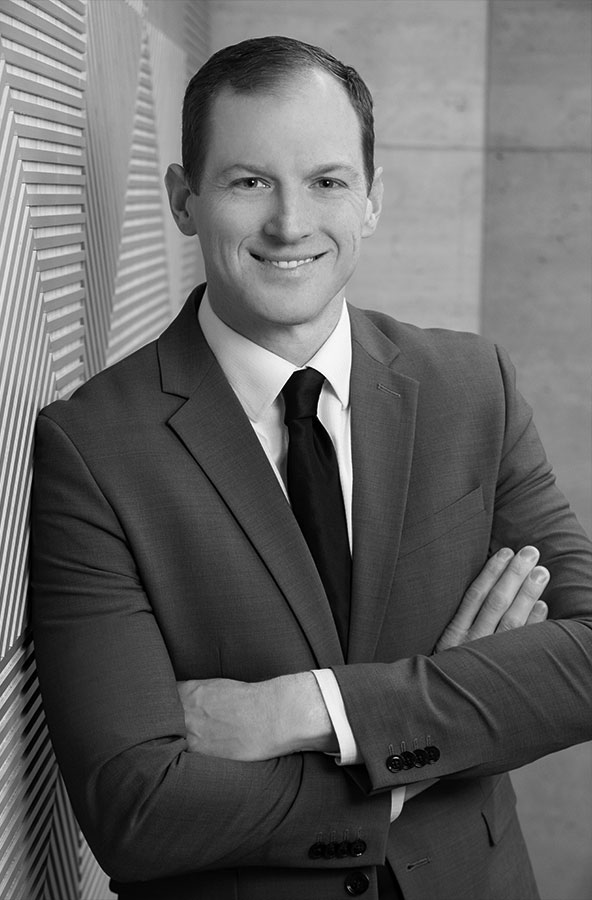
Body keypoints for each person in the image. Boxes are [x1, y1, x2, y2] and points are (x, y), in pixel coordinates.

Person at [30, 36, 592, 900]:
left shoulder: (473, 386)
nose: (290, 223)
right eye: (248, 181)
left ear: (371, 199)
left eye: (328, 181)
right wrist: (436, 726)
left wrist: (303, 711)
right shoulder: (95, 446)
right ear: (185, 201)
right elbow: (136, 810)